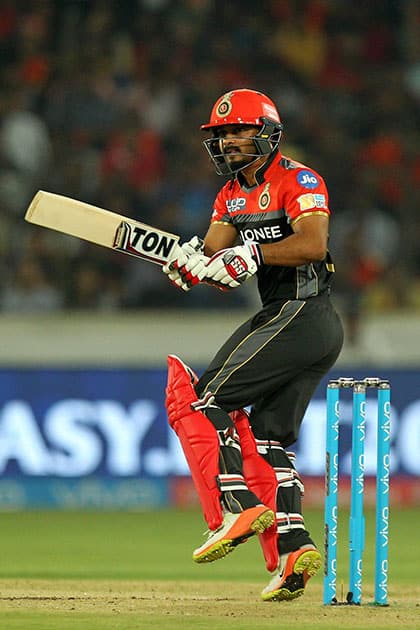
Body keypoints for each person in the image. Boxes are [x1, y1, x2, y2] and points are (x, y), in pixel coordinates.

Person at [162, 88, 344, 602]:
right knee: (267, 438)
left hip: (303, 313)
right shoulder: (228, 196)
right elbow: (217, 256)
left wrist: (253, 255)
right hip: (292, 321)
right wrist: (191, 263)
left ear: (267, 132)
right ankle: (294, 551)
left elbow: (313, 244)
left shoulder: (299, 178)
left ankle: (237, 505)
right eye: (221, 134)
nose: (228, 141)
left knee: (205, 399)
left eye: (238, 130)